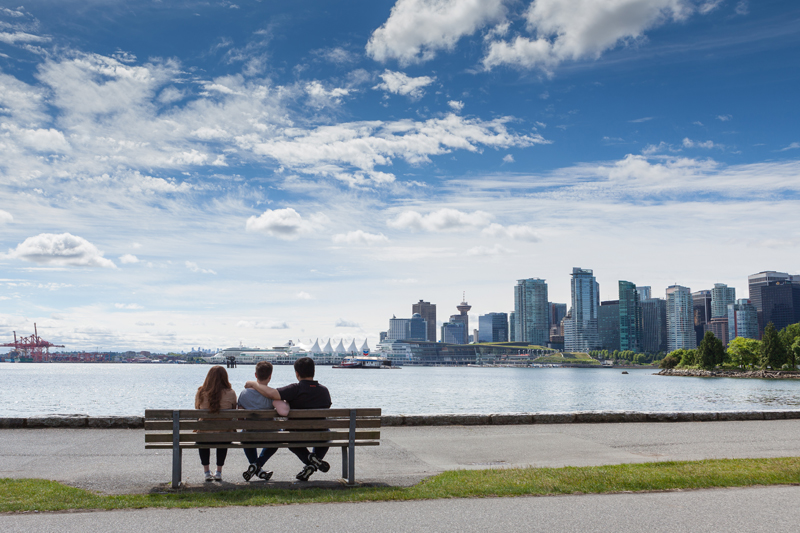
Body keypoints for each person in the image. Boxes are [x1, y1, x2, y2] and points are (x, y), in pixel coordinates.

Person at [245, 357, 332, 481]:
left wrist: (253, 384)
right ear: (313, 371)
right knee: (326, 434)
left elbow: (271, 393)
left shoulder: (295, 389)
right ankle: (313, 463)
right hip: (320, 434)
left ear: (297, 373)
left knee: (290, 441)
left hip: (297, 435)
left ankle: (310, 461)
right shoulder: (324, 391)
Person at [237, 361, 290, 482]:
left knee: (244, 434)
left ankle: (255, 467)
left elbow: (240, 418)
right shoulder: (272, 394)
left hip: (249, 433)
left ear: (255, 375)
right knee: (279, 436)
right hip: (269, 434)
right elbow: (283, 411)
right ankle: (258, 465)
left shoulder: (244, 394)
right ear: (270, 376)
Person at [195, 365, 237, 482]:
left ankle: (207, 472)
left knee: (203, 433)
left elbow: (197, 409)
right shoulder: (231, 393)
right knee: (223, 432)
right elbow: (234, 412)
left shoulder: (201, 392)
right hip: (224, 436)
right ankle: (218, 472)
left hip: (203, 436)